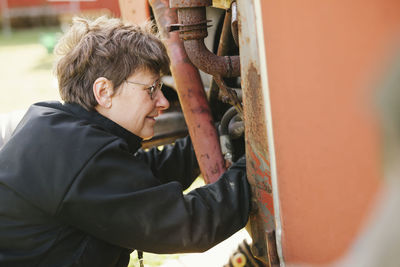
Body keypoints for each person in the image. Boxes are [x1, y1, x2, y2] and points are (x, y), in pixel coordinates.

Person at [0, 17, 251, 266]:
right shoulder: (77, 157)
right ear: (104, 92)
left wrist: (219, 134)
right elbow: (187, 225)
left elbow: (140, 177)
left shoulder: (63, 133)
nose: (163, 102)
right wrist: (256, 164)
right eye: (151, 89)